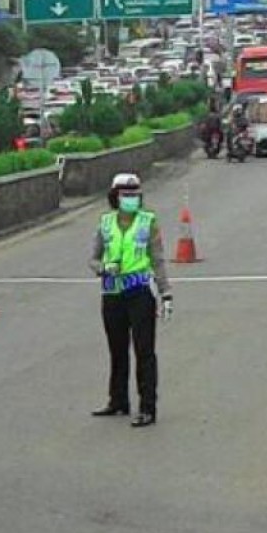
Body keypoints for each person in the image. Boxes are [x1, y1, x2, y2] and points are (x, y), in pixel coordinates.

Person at [89, 174, 172, 427]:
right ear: (115, 197)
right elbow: (92, 259)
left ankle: (147, 407)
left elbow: (157, 260)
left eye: (135, 194)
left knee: (144, 351)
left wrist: (165, 293)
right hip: (112, 294)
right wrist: (103, 267)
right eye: (125, 194)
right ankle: (118, 401)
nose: (131, 199)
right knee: (117, 350)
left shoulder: (148, 222)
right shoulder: (105, 223)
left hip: (139, 294)